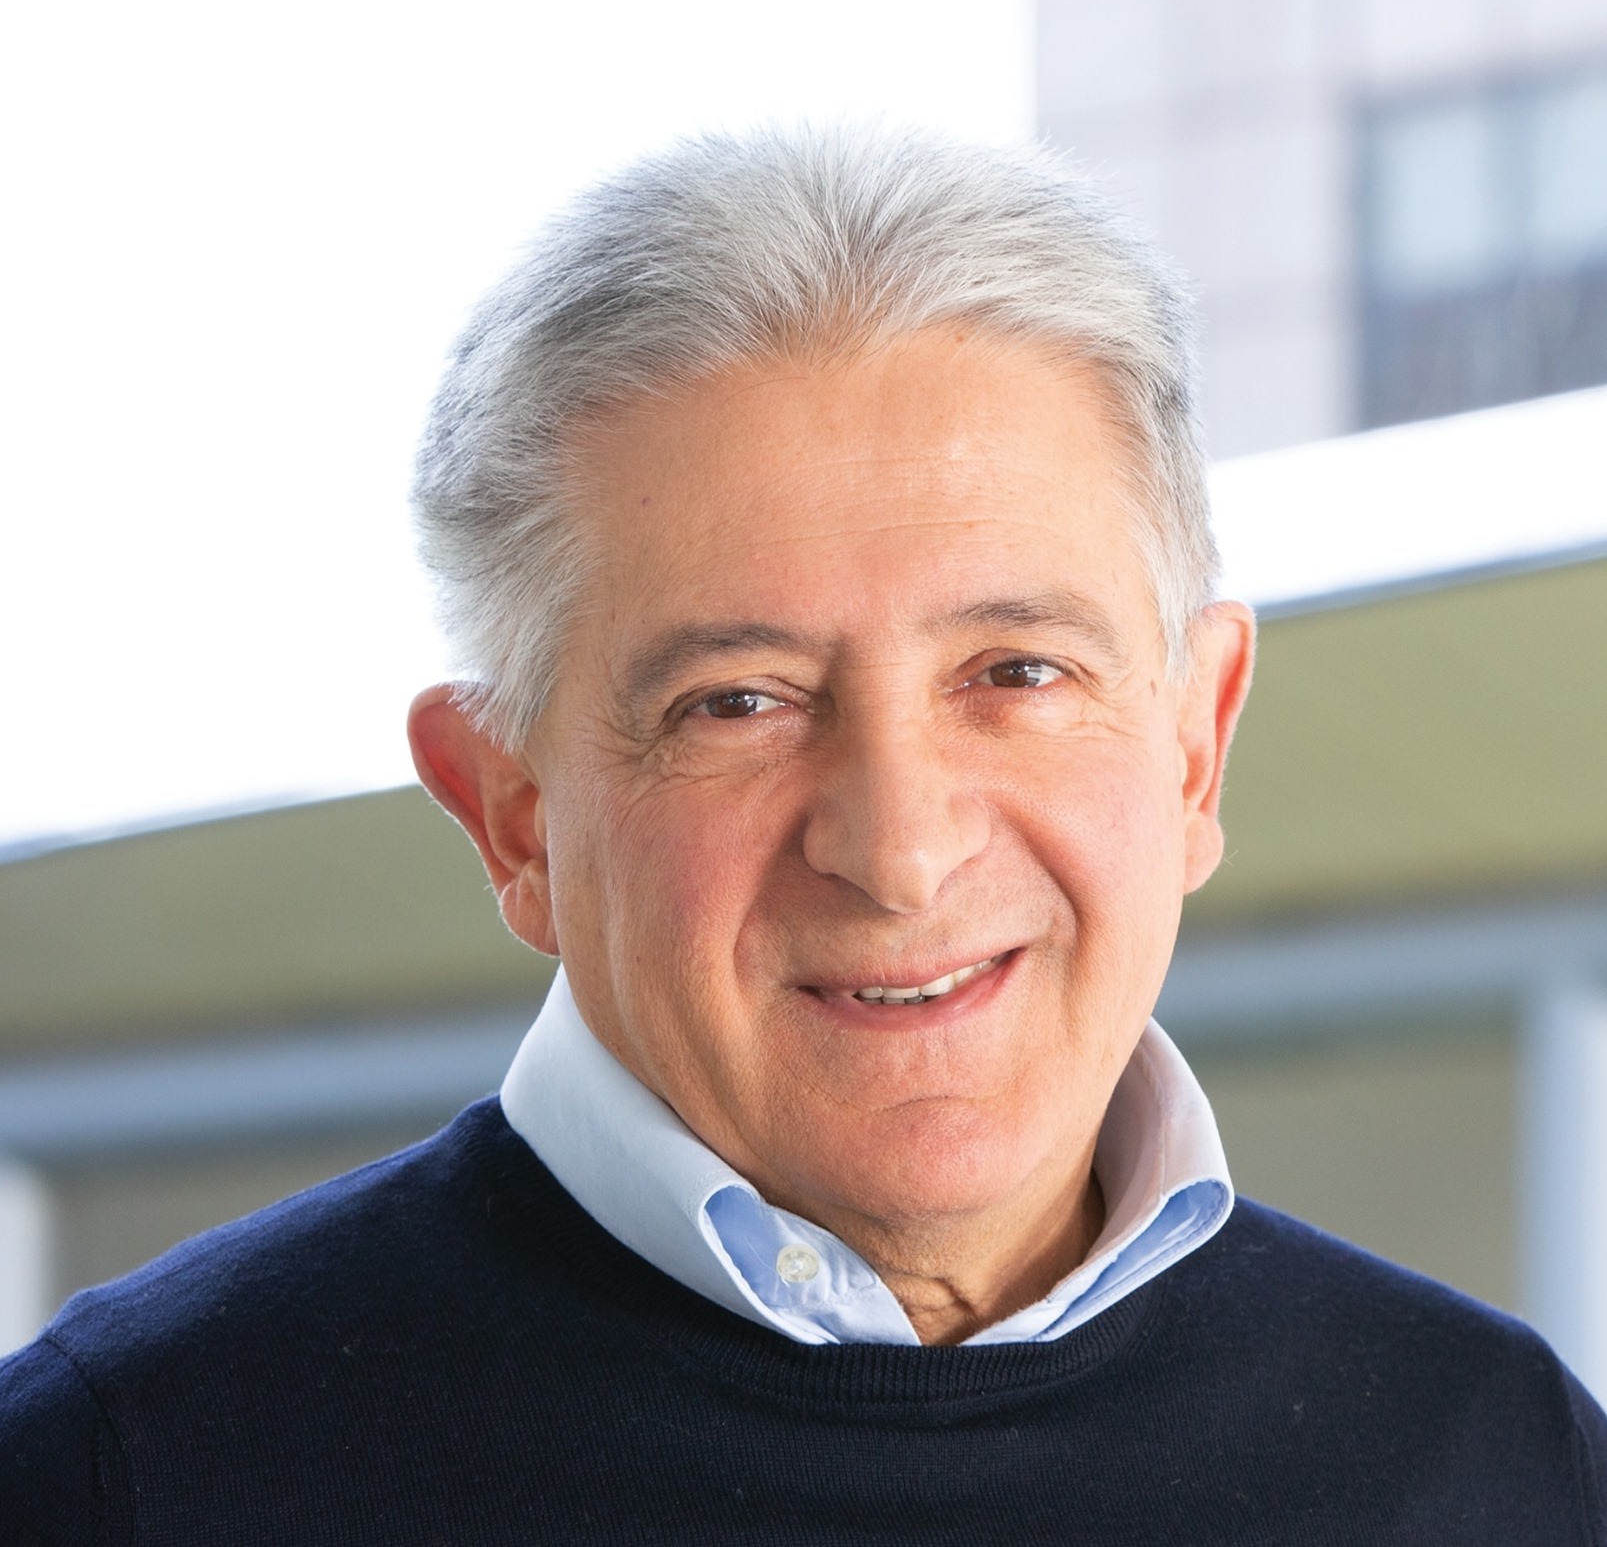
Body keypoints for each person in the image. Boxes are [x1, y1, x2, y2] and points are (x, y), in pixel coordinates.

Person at [2, 126, 1603, 1544]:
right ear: (512, 815)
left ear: (1195, 743)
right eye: (739, 703)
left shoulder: (1503, 1462)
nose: (901, 852)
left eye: (1017, 673)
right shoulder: (118, 1478)